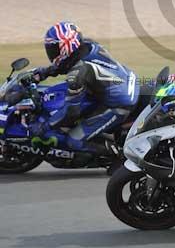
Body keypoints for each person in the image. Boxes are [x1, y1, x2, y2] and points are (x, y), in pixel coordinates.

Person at [30, 22, 140, 155]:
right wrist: (43, 73)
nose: (51, 52)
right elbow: (66, 63)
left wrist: (44, 127)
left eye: (53, 48)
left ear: (65, 47)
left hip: (120, 103)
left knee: (74, 140)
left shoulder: (77, 74)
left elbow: (71, 112)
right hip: (125, 81)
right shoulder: (86, 45)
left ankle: (118, 157)